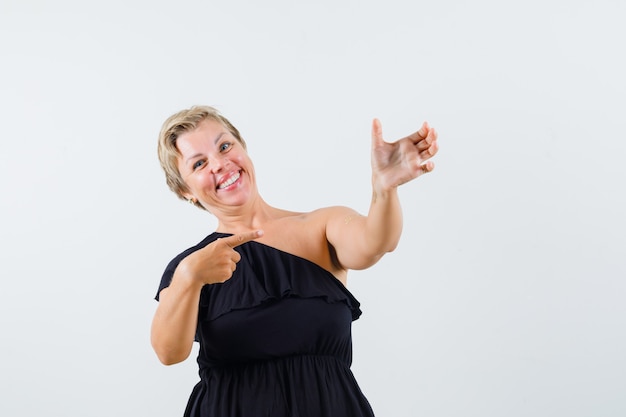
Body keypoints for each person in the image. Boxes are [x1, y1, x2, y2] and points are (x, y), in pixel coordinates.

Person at [151, 105, 438, 417]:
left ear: (243, 148)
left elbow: (376, 243)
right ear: (185, 190)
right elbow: (168, 352)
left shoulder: (320, 225)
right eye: (199, 163)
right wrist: (189, 277)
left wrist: (384, 189)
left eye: (224, 146)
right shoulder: (191, 266)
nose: (220, 164)